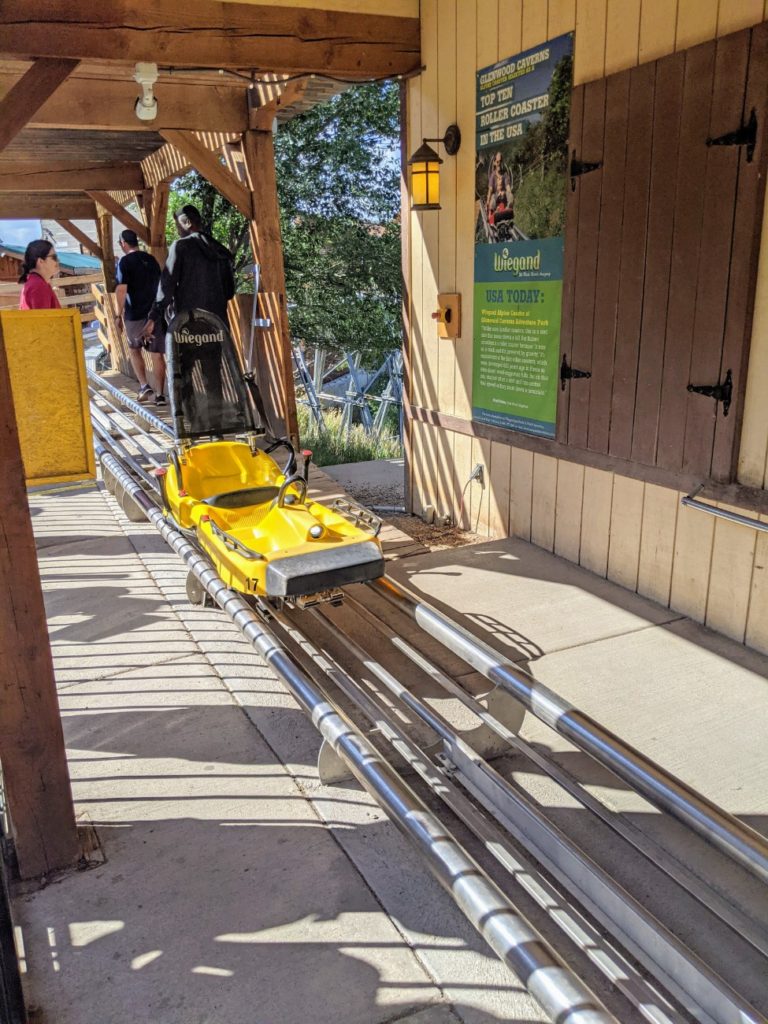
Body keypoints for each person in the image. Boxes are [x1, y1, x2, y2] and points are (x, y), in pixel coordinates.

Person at [144, 204, 235, 332]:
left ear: (187, 223)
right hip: (218, 325)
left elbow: (167, 286)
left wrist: (153, 316)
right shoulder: (221, 251)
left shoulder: (180, 246)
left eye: (177, 226)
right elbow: (229, 292)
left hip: (188, 325)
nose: (177, 230)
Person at [115, 229, 165, 406]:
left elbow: (121, 289)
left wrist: (117, 315)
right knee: (157, 354)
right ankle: (160, 394)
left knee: (135, 349)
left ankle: (144, 386)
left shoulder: (124, 261)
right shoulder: (151, 260)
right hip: (154, 314)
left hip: (134, 315)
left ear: (123, 243)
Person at [18, 239, 62, 310]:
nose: (58, 260)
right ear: (40, 261)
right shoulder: (38, 286)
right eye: (54, 257)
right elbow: (44, 320)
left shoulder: (35, 282)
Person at [485, 151, 514, 228]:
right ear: (494, 163)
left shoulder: (505, 175)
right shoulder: (492, 176)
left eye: (500, 161)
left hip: (503, 197)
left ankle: (508, 210)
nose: (499, 163)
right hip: (496, 197)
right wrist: (487, 202)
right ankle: (491, 218)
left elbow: (508, 186)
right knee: (493, 198)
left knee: (510, 195)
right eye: (497, 162)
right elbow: (490, 190)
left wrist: (507, 193)